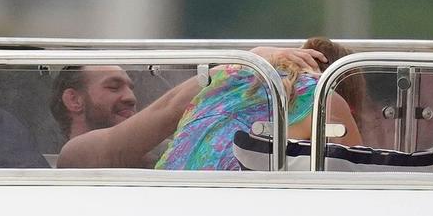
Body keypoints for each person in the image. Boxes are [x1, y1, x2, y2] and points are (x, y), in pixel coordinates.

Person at [50, 47, 324, 169]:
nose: (130, 97)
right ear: (74, 100)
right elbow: (168, 110)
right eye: (113, 87)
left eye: (130, 87)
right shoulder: (75, 156)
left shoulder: (166, 151)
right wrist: (245, 62)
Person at [155, 37, 364, 171]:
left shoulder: (229, 79)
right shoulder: (322, 95)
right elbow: (358, 173)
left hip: (167, 190)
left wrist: (253, 55)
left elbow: (170, 106)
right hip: (232, 199)